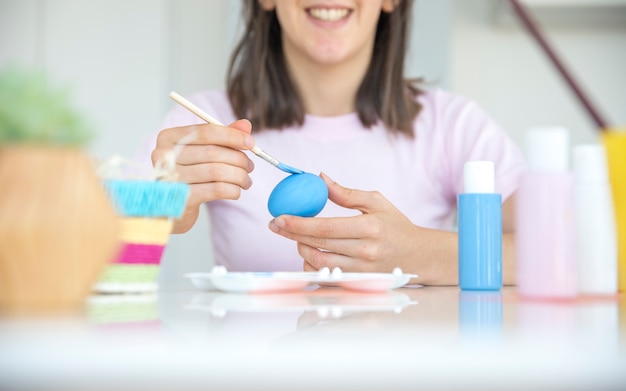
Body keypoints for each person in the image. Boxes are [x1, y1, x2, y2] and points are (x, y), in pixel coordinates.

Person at [142, 0, 526, 285]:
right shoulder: (200, 124)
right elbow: (97, 263)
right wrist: (158, 212)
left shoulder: (453, 126)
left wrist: (425, 254)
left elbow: (561, 253)